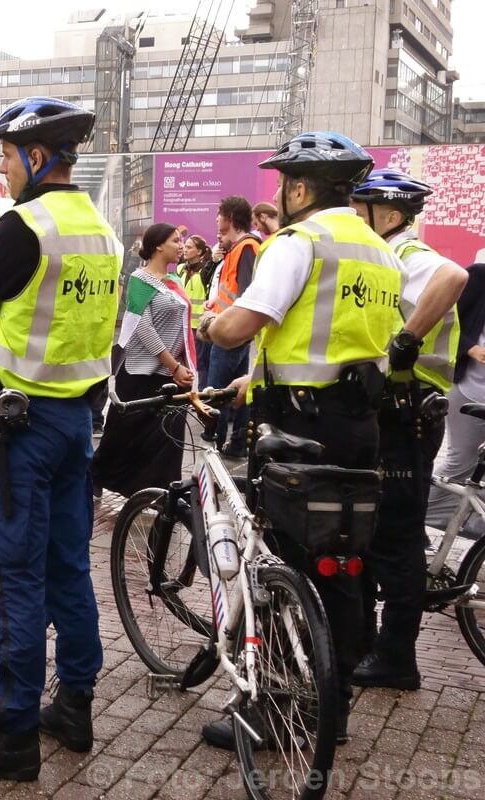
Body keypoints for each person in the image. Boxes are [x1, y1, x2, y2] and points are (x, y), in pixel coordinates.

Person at [0, 96, 120, 782]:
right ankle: (74, 704)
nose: (2, 168)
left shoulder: (24, 225)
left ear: (37, 157)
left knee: (11, 574)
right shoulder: (99, 228)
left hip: (19, 430)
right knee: (68, 568)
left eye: (7, 156)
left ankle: (13, 733)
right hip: (75, 421)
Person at [201, 130, 403, 748]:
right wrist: (252, 386)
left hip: (299, 428)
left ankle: (278, 709)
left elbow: (243, 325)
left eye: (282, 185)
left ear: (299, 188)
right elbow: (336, 339)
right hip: (358, 425)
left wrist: (210, 325)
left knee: (283, 562)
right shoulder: (381, 252)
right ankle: (331, 709)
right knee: (343, 565)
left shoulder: (299, 242)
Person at [348, 169, 466, 690]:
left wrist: (406, 339)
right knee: (383, 536)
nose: (355, 219)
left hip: (409, 413)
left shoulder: (407, 256)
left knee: (396, 539)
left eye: (362, 212)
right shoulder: (387, 257)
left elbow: (454, 276)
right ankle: (380, 646)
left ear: (390, 216)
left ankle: (398, 659)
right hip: (399, 412)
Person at [92, 224, 195, 497]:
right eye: (176, 240)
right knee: (121, 434)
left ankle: (161, 492)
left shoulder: (176, 281)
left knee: (168, 440)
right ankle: (96, 475)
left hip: (173, 376)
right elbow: (143, 328)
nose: (181, 244)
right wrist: (174, 365)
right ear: (158, 245)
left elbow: (183, 326)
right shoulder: (139, 279)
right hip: (141, 373)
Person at [427, 263, 485, 538]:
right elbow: (445, 322)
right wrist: (470, 348)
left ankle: (470, 519)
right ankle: (424, 517)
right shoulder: (479, 277)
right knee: (462, 459)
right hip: (471, 386)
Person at [200, 196, 258, 456]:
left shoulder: (246, 246)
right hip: (232, 331)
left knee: (216, 392)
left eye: (219, 214)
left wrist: (230, 325)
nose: (216, 219)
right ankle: (236, 443)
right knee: (235, 389)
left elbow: (246, 292)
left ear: (231, 218)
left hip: (229, 333)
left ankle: (216, 442)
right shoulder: (236, 248)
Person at [178, 234, 213, 389]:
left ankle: (203, 397)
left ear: (199, 252)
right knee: (183, 363)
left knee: (201, 364)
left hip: (199, 326)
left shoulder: (205, 271)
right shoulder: (180, 269)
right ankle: (186, 395)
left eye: (189, 247)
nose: (185, 249)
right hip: (182, 324)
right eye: (185, 246)